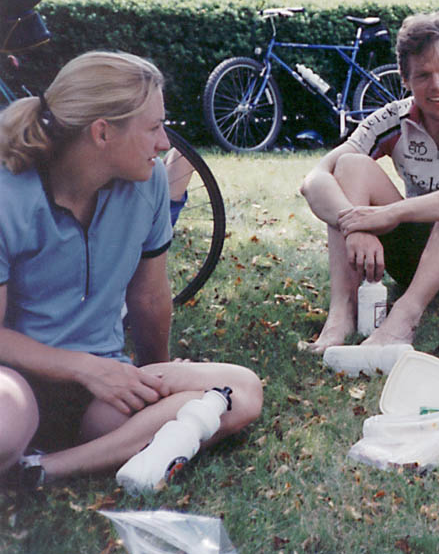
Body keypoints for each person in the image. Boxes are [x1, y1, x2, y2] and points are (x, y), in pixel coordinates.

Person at [0, 51, 263, 489]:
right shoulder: (9, 193)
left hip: (105, 389)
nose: (165, 142)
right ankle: (46, 452)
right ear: (103, 132)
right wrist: (83, 368)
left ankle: (46, 469)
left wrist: (157, 378)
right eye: (154, 128)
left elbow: (149, 299)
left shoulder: (151, 183)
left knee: (242, 390)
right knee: (5, 427)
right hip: (16, 381)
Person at [299, 12, 439, 351]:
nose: (437, 86)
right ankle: (342, 311)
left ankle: (405, 315)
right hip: (415, 258)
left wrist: (394, 213)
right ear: (405, 78)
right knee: (350, 165)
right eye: (423, 75)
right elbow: (314, 179)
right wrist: (356, 225)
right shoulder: (392, 118)